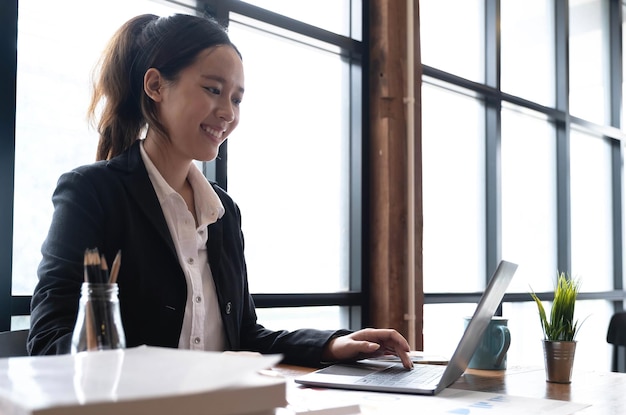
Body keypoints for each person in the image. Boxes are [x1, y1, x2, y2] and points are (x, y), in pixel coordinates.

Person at [27, 12, 413, 369]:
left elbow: (243, 334)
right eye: (213, 89)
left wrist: (332, 345)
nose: (228, 112)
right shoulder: (92, 194)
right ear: (156, 85)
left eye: (237, 99)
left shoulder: (222, 211)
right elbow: (48, 342)